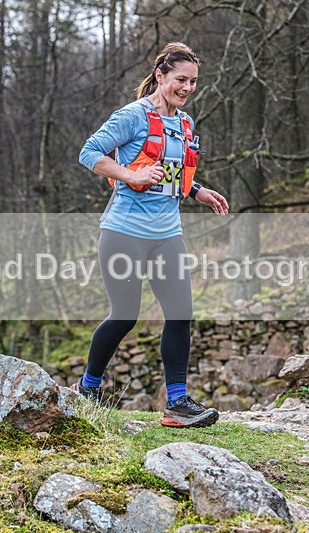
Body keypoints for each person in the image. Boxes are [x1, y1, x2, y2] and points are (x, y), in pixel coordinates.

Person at [75, 42, 229, 428]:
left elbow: (173, 173)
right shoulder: (133, 116)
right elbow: (89, 152)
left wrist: (198, 191)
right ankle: (89, 388)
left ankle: (177, 403)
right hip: (124, 232)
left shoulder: (186, 123)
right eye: (180, 79)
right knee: (125, 315)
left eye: (193, 81)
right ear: (160, 76)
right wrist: (130, 175)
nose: (187, 87)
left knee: (181, 313)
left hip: (167, 234)